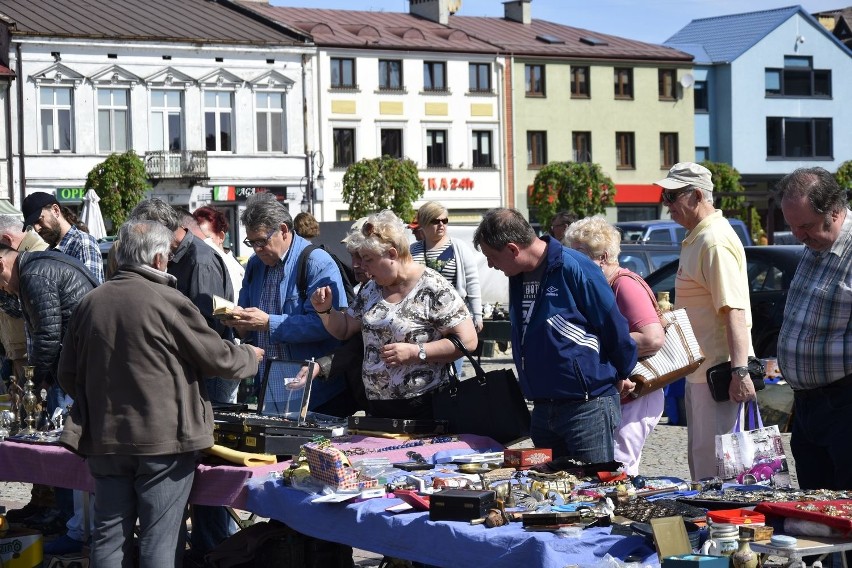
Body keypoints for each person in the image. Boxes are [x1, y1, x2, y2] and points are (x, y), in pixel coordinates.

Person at [57, 220, 263, 568]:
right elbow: (217, 356)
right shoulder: (168, 300)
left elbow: (67, 375)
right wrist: (250, 357)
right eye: (167, 255)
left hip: (106, 439)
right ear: (157, 259)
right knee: (160, 540)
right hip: (163, 442)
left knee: (109, 534)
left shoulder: (90, 303)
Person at [473, 208, 636, 462]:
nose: (490, 265)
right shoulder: (517, 274)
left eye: (492, 257)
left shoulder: (574, 266)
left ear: (513, 249)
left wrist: (621, 372)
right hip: (542, 408)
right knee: (552, 495)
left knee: (593, 492)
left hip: (586, 408)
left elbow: (612, 324)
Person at [129, 198, 237, 556]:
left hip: (208, 374)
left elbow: (204, 332)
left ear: (166, 231)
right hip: (194, 371)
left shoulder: (201, 260)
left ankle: (211, 550)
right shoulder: (178, 257)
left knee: (210, 464)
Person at [311, 210, 477, 419]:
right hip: (378, 407)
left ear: (392, 254)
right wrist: (325, 310)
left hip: (425, 406)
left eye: (368, 259)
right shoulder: (372, 288)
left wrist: (416, 352)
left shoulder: (433, 286)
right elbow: (344, 329)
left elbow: (468, 341)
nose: (364, 268)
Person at [654, 162, 755, 480]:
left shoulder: (712, 241)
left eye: (671, 196)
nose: (666, 205)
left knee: (720, 474)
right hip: (704, 373)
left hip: (719, 377)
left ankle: (728, 528)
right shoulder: (699, 238)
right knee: (705, 469)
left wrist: (740, 372)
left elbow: (734, 311)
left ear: (696, 195)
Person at [226, 192, 350, 416]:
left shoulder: (316, 262)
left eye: (261, 241)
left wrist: (268, 323)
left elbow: (328, 325)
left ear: (283, 230)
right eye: (251, 242)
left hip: (315, 394)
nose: (256, 249)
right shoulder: (255, 265)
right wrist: (239, 321)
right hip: (269, 390)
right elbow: (246, 317)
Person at [564, 216, 665, 474]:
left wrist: (596, 342)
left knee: (620, 464)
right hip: (624, 389)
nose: (573, 261)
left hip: (639, 389)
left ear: (604, 256)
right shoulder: (600, 285)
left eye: (580, 254)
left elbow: (652, 338)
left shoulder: (623, 284)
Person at [776, 167, 852, 491]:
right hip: (806, 407)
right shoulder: (814, 245)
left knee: (845, 514)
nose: (797, 236)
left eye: (804, 225)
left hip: (844, 407)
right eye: (791, 226)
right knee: (812, 513)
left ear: (834, 211)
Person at [410, 202, 483, 334]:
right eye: (435, 221)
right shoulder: (413, 250)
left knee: (456, 354)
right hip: (421, 322)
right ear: (424, 224)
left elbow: (472, 281)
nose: (441, 224)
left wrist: (477, 315)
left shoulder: (458, 247)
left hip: (455, 318)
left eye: (445, 220)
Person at [21, 192, 104, 283]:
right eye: (32, 225)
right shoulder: (49, 251)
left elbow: (91, 291)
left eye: (39, 220)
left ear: (55, 210)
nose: (36, 229)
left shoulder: (82, 243)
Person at [192, 206, 245, 299]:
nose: (199, 244)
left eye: (205, 239)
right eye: (194, 239)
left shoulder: (232, 266)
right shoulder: (196, 262)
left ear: (221, 236)